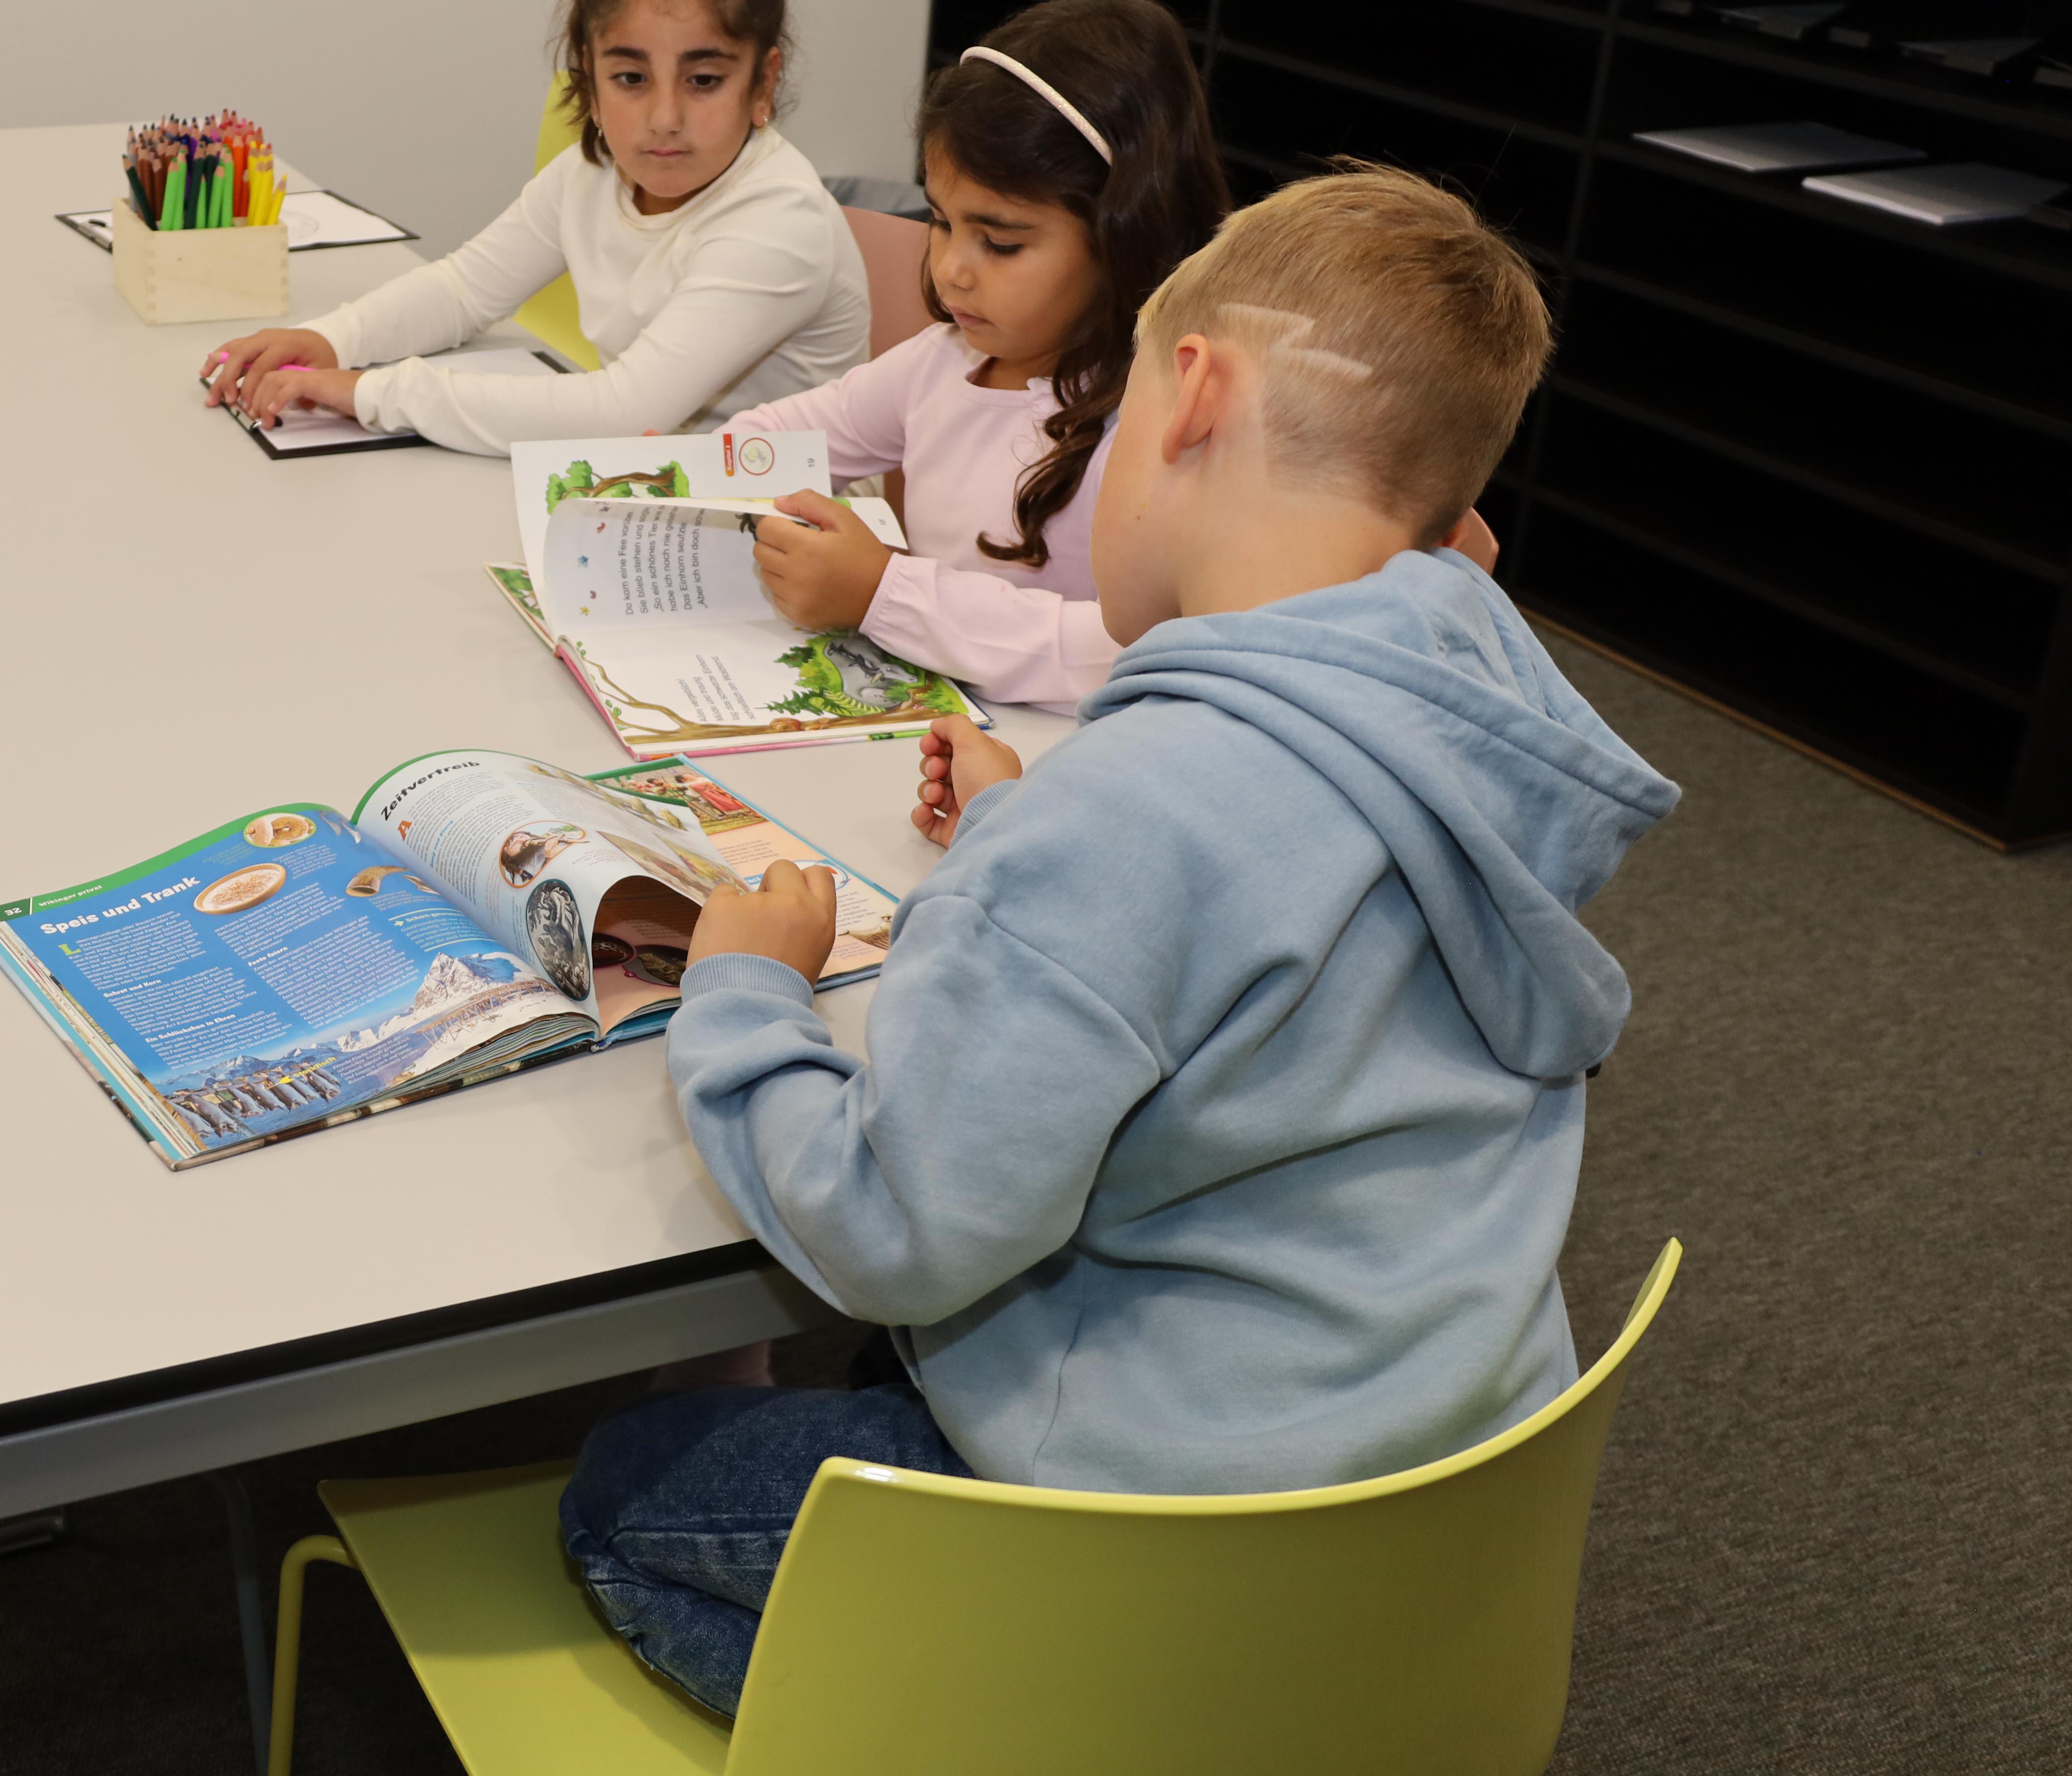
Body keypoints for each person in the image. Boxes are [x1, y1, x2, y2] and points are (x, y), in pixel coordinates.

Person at [558, 164, 1681, 1716]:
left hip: (1170, 1546)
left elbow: (899, 1234)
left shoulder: (1137, 817)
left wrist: (747, 993)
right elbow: (1236, 890)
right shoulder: (1470, 727)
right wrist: (1026, 832)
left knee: (627, 1492)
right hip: (1425, 1498)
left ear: (1195, 393)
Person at [199, 0, 869, 453]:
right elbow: (465, 290)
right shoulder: (596, 172)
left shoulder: (780, 219)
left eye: (703, 80)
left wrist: (371, 393)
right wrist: (331, 340)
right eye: (631, 79)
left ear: (763, 84)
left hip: (792, 537)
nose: (665, 117)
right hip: (651, 494)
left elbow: (627, 416)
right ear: (591, 83)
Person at [715, 0, 1226, 713]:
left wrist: (884, 593)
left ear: (1121, 237)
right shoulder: (940, 363)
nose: (953, 267)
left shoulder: (1163, 426)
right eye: (941, 221)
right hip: (930, 736)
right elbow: (772, 440)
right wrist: (689, 471)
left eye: (1002, 242)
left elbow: (1133, 651)